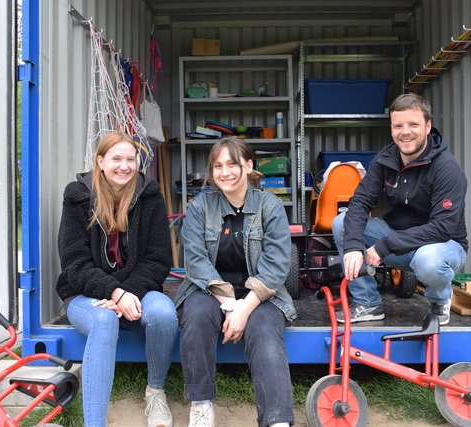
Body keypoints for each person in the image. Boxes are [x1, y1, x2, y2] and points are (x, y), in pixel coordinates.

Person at [56, 131, 177, 427]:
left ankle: (155, 391)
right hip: (84, 293)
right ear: (100, 161)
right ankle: (94, 423)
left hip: (136, 288)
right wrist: (114, 293)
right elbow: (75, 264)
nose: (124, 166)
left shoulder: (149, 197)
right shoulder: (78, 196)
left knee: (163, 313)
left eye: (131, 159)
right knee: (104, 320)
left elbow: (159, 259)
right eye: (116, 158)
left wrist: (128, 291)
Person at [174, 137, 296, 427]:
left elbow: (277, 265)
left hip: (262, 292)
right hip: (210, 288)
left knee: (264, 329)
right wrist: (229, 303)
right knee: (197, 316)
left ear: (249, 166)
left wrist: (244, 309)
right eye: (218, 165)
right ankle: (201, 405)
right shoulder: (200, 206)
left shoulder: (270, 206)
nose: (225, 172)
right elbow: (194, 260)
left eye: (232, 164)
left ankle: (277, 419)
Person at [332, 93, 468, 326]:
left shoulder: (446, 168)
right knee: (342, 222)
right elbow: (360, 202)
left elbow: (443, 228)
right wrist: (353, 246)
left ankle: (439, 300)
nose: (405, 132)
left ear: (427, 127)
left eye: (413, 124)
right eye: (398, 126)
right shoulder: (386, 159)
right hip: (398, 242)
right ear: (391, 129)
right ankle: (367, 303)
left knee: (428, 260)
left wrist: (386, 244)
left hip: (440, 246)